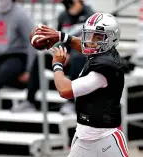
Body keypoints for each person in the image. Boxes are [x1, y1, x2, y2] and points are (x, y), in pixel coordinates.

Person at [35, 12, 130, 157]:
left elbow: (65, 90)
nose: (91, 40)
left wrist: (57, 66)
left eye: (97, 37)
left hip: (106, 139)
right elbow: (86, 46)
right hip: (84, 138)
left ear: (111, 38)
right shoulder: (105, 52)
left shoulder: (104, 69)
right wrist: (62, 37)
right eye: (89, 35)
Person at [12, 0, 94, 113]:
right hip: (66, 57)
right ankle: (30, 101)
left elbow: (90, 45)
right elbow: (59, 40)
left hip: (83, 60)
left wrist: (71, 54)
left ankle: (72, 102)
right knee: (41, 58)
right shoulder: (63, 16)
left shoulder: (91, 17)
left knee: (77, 58)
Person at [0, 0, 36, 108]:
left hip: (14, 56)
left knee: (8, 68)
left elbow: (32, 41)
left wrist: (29, 69)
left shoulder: (21, 15)